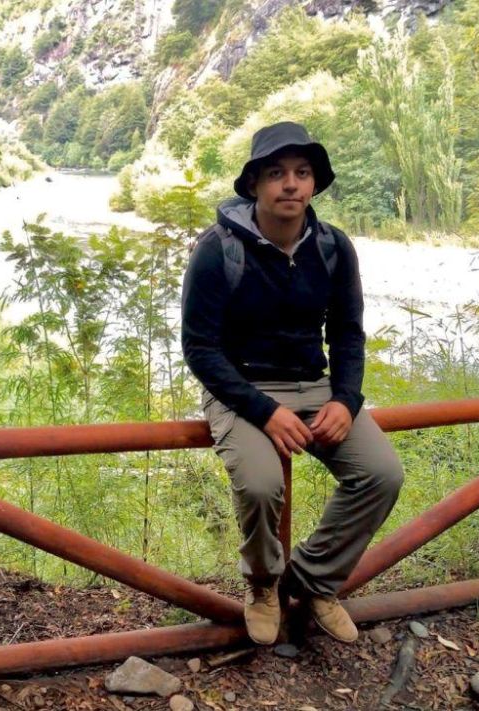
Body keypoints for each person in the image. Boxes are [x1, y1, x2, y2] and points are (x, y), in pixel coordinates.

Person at [181, 121, 404, 645]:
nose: (290, 184)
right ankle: (262, 584)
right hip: (239, 389)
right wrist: (263, 410)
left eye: (302, 173)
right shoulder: (218, 249)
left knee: (381, 474)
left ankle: (314, 580)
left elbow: (347, 334)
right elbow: (200, 349)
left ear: (313, 184)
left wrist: (346, 400)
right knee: (261, 484)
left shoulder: (332, 247)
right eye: (277, 173)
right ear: (255, 184)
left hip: (313, 386)